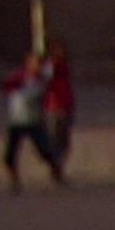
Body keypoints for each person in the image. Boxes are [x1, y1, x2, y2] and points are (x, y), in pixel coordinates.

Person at [0, 50, 62, 193]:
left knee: (44, 151)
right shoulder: (20, 77)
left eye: (39, 64)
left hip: (34, 121)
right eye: (34, 63)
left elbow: (45, 86)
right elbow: (6, 85)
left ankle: (56, 171)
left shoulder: (42, 81)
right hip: (17, 121)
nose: (36, 66)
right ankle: (14, 180)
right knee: (10, 154)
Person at [43, 38, 76, 173]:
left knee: (64, 140)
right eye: (57, 50)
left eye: (62, 50)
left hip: (66, 105)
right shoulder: (50, 65)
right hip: (54, 107)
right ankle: (55, 165)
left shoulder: (64, 66)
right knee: (54, 138)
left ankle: (59, 164)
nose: (61, 52)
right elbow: (46, 80)